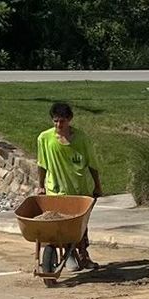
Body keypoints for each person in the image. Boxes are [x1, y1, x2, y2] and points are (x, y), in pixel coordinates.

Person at [35, 101, 103, 271]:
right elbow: (41, 164)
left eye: (62, 121)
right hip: (55, 190)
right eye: (56, 121)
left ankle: (82, 255)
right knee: (59, 226)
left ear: (70, 119)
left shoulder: (82, 139)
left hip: (78, 190)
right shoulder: (45, 138)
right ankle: (68, 253)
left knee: (80, 227)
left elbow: (92, 164)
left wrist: (97, 185)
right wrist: (41, 185)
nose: (59, 125)